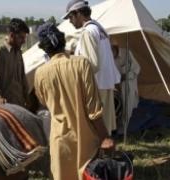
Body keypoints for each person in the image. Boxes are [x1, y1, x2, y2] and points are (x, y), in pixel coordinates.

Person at [34, 23, 115, 180]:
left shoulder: (40, 73)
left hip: (60, 141)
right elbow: (94, 108)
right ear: (63, 41)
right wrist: (105, 137)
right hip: (86, 140)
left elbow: (44, 102)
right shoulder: (81, 64)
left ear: (44, 49)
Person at [63, 0, 121, 135]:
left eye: (70, 17)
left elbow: (91, 64)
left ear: (78, 14)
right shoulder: (98, 28)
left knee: (94, 128)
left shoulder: (88, 32)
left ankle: (99, 154)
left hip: (95, 86)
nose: (70, 21)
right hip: (104, 83)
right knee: (104, 125)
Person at [0, 18, 31, 108]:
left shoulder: (18, 53)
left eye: (24, 38)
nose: (24, 41)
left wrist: (27, 98)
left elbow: (22, 78)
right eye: (21, 37)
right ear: (12, 35)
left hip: (19, 105)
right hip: (6, 108)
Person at [112, 44, 140, 132]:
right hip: (114, 85)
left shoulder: (126, 52)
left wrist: (126, 76)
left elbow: (137, 69)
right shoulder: (106, 56)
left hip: (127, 84)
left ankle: (122, 130)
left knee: (126, 106)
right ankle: (114, 127)